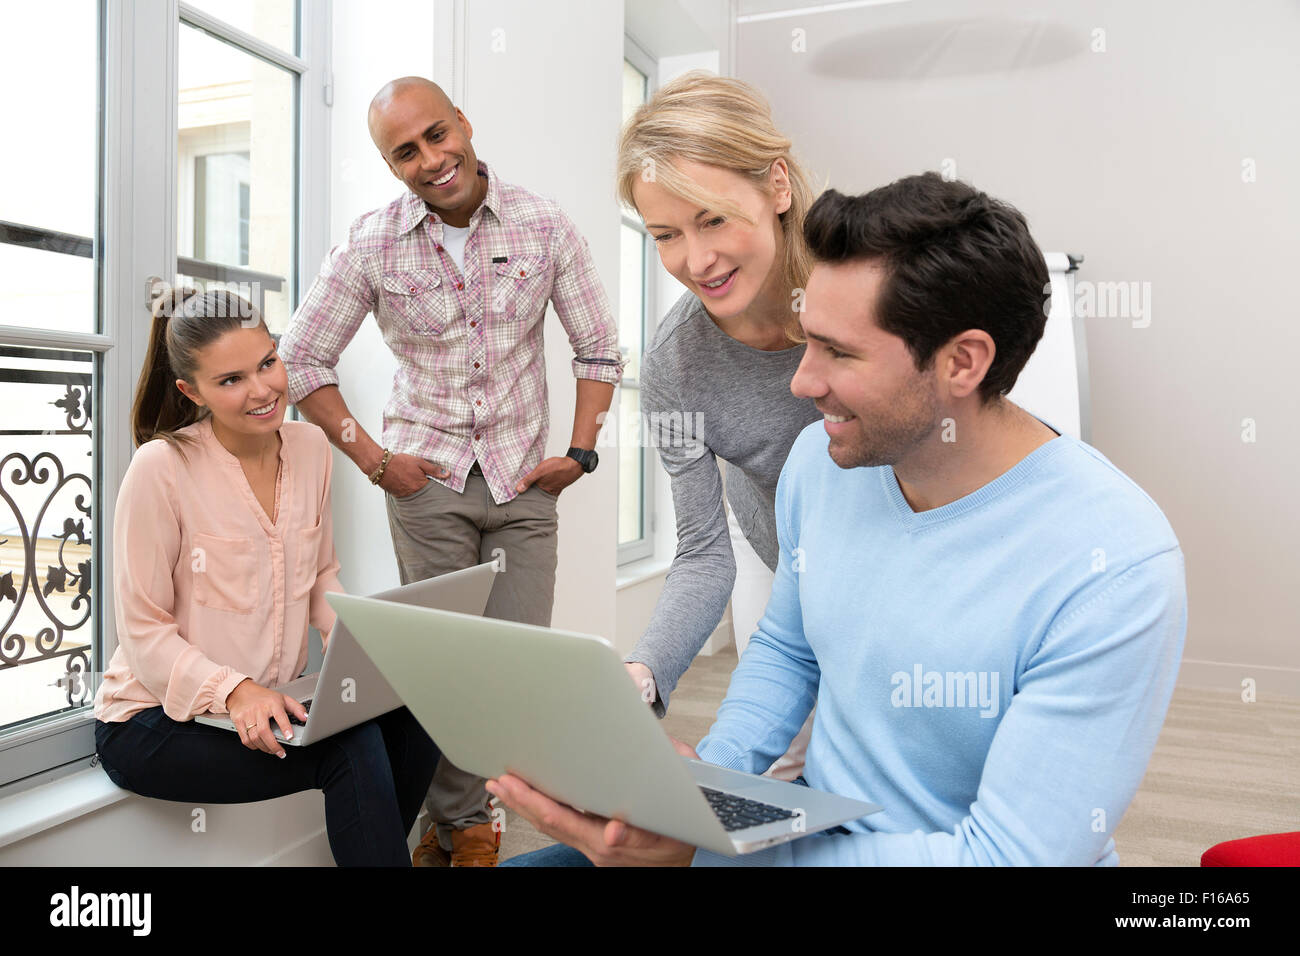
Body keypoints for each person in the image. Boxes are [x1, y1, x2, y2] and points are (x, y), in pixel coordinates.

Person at [492, 172, 1187, 866]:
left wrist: (704, 859)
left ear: (963, 362)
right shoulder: (820, 465)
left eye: (840, 352)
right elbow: (788, 650)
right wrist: (702, 787)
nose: (801, 381)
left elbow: (1009, 858)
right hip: (811, 838)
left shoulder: (1113, 564)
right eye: (808, 340)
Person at [276, 76, 623, 866]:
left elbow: (599, 346)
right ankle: (461, 825)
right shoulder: (372, 241)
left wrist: (579, 453)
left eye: (438, 135)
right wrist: (375, 461)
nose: (432, 159)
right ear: (390, 163)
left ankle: (492, 805)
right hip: (426, 487)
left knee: (513, 665)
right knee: (443, 669)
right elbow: (301, 358)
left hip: (523, 483)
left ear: (463, 123)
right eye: (406, 151)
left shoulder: (544, 224)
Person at [93, 288, 440, 867]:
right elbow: (144, 635)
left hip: (268, 706)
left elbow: (322, 574)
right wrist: (234, 690)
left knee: (417, 713)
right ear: (190, 391)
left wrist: (351, 638)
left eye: (267, 363)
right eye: (230, 380)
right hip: (155, 720)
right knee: (352, 748)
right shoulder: (162, 467)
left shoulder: (309, 448)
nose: (261, 391)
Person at [616, 71, 822, 779]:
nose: (694, 262)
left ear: (777, 186)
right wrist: (642, 675)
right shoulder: (676, 367)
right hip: (777, 552)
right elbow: (704, 554)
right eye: (666, 234)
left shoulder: (862, 287)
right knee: (779, 768)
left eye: (711, 218)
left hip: (902, 555)